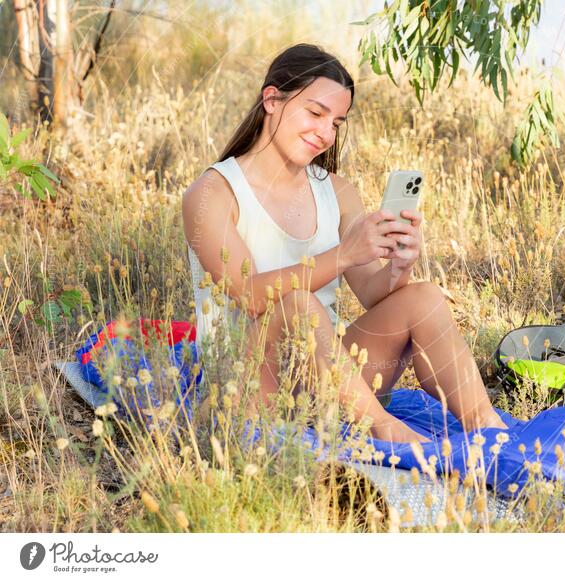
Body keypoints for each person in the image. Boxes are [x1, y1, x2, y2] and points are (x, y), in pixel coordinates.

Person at [182, 43, 507, 442]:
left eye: (336, 122)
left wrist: (398, 266)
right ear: (271, 99)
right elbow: (246, 296)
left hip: (330, 383)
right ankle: (392, 434)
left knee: (424, 298)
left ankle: (489, 430)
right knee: (299, 304)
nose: (325, 133)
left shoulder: (336, 191)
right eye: (315, 113)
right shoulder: (214, 191)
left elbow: (374, 295)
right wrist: (342, 255)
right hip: (248, 386)